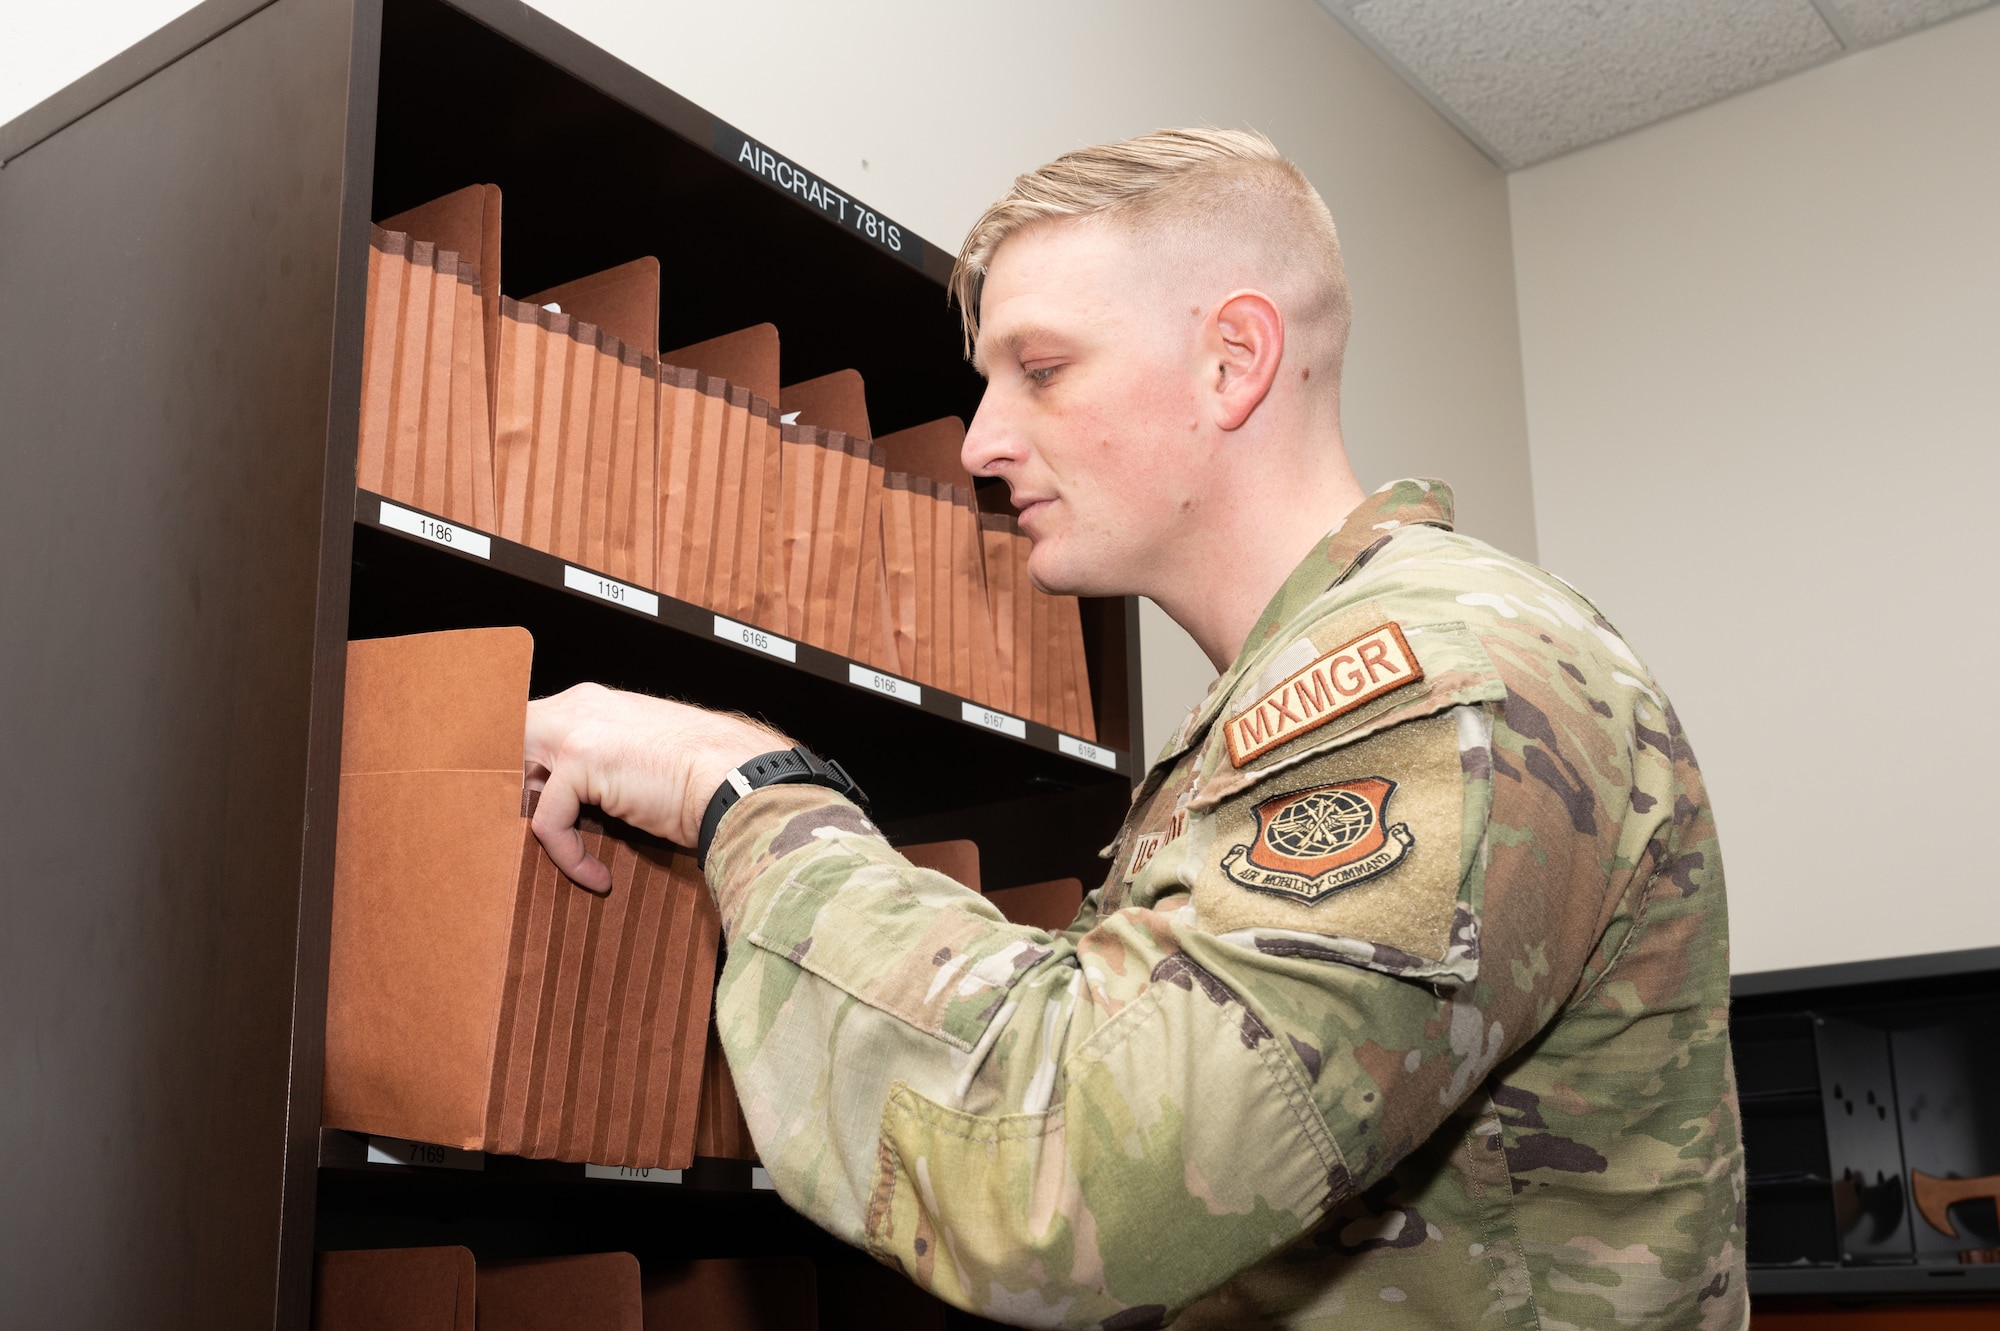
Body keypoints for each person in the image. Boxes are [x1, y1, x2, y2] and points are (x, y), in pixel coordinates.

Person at [523, 128, 1744, 1329]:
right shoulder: (1290, 692)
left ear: (1232, 361)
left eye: (1041, 369)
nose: (980, 440)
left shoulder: (1428, 682)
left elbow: (1070, 1179)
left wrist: (739, 783)